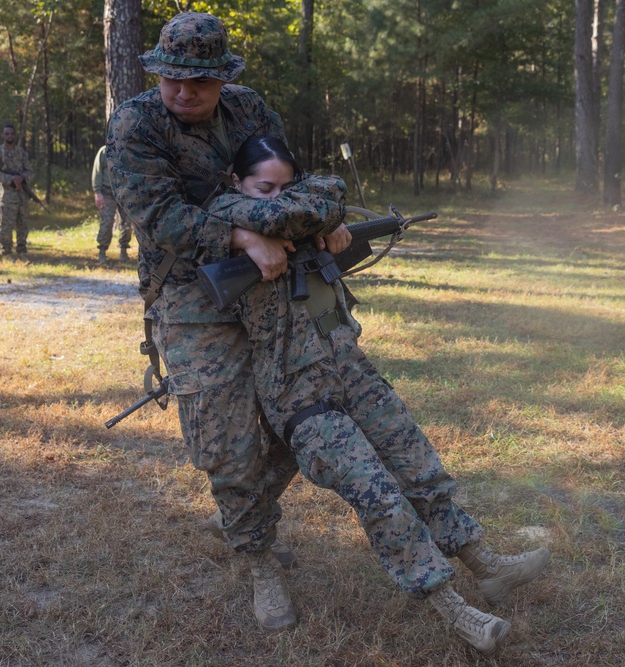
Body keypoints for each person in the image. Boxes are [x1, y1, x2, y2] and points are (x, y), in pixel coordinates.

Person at [203, 135, 551, 655]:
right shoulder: (223, 215)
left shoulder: (305, 214)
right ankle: (452, 609)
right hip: (300, 398)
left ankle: (485, 565)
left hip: (351, 372)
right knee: (380, 495)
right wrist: (306, 222)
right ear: (237, 183)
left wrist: (328, 224)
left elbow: (323, 197)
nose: (275, 200)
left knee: (419, 466)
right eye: (263, 187)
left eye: (285, 186)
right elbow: (291, 215)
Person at [106, 11, 346, 636]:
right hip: (190, 296)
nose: (184, 93)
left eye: (200, 82)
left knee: (305, 414)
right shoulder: (136, 123)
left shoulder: (247, 109)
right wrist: (240, 236)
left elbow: (284, 178)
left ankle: (246, 517)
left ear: (222, 78)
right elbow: (157, 213)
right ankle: (259, 557)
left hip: (267, 290)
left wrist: (318, 220)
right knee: (225, 442)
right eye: (172, 80)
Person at [0, 123, 33, 259]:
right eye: (7, 134)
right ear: (3, 135)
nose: (9, 136)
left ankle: (22, 251)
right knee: (5, 225)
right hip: (7, 195)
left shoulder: (22, 153)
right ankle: (6, 253)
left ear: (15, 135)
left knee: (23, 225)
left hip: (22, 195)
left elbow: (30, 171)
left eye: (12, 134)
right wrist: (11, 179)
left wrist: (21, 179)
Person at [91, 144, 133, 263]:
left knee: (127, 222)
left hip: (124, 193)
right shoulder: (104, 151)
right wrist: (97, 192)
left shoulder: (127, 150)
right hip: (107, 192)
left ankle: (124, 251)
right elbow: (97, 172)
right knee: (107, 222)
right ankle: (102, 252)